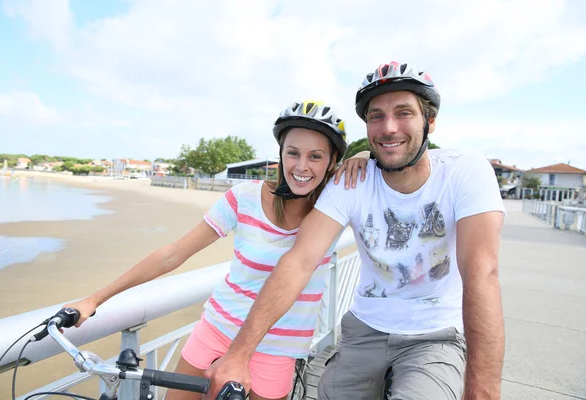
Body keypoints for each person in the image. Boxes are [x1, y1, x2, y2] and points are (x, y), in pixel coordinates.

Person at [205, 61, 506, 400]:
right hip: (364, 330)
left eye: (404, 113)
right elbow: (299, 261)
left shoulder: (465, 171)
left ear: (430, 121)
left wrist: (482, 391)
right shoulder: (353, 181)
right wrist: (239, 354)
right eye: (376, 116)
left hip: (435, 334)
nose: (389, 127)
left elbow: (482, 274)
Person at [64, 99, 369, 400]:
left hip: (278, 348)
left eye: (315, 156)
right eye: (293, 153)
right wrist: (94, 299)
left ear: (332, 162)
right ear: (281, 154)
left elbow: (395, 172)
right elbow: (173, 254)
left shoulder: (336, 205)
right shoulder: (245, 198)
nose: (302, 166)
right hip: (216, 329)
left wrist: (365, 155)